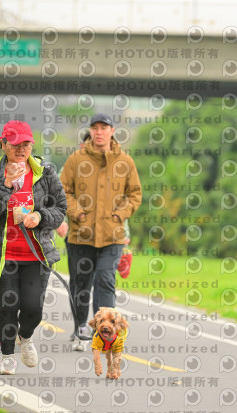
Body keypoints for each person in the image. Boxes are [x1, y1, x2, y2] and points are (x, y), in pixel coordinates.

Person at [0, 120, 66, 375]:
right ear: (3, 144)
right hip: (3, 256)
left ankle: (25, 336)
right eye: (15, 144)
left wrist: (40, 216)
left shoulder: (45, 173)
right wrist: (5, 186)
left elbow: (60, 207)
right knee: (7, 307)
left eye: (26, 144)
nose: (21, 149)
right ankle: (7, 357)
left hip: (35, 254)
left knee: (33, 309)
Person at [60, 113, 142, 350]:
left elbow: (134, 194)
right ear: (91, 131)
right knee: (80, 284)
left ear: (112, 131)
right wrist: (77, 214)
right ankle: (81, 329)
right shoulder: (76, 159)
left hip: (112, 235)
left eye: (104, 128)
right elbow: (63, 191)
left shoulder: (125, 161)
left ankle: (105, 334)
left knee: (105, 280)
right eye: (95, 128)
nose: (99, 132)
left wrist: (119, 215)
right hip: (80, 235)